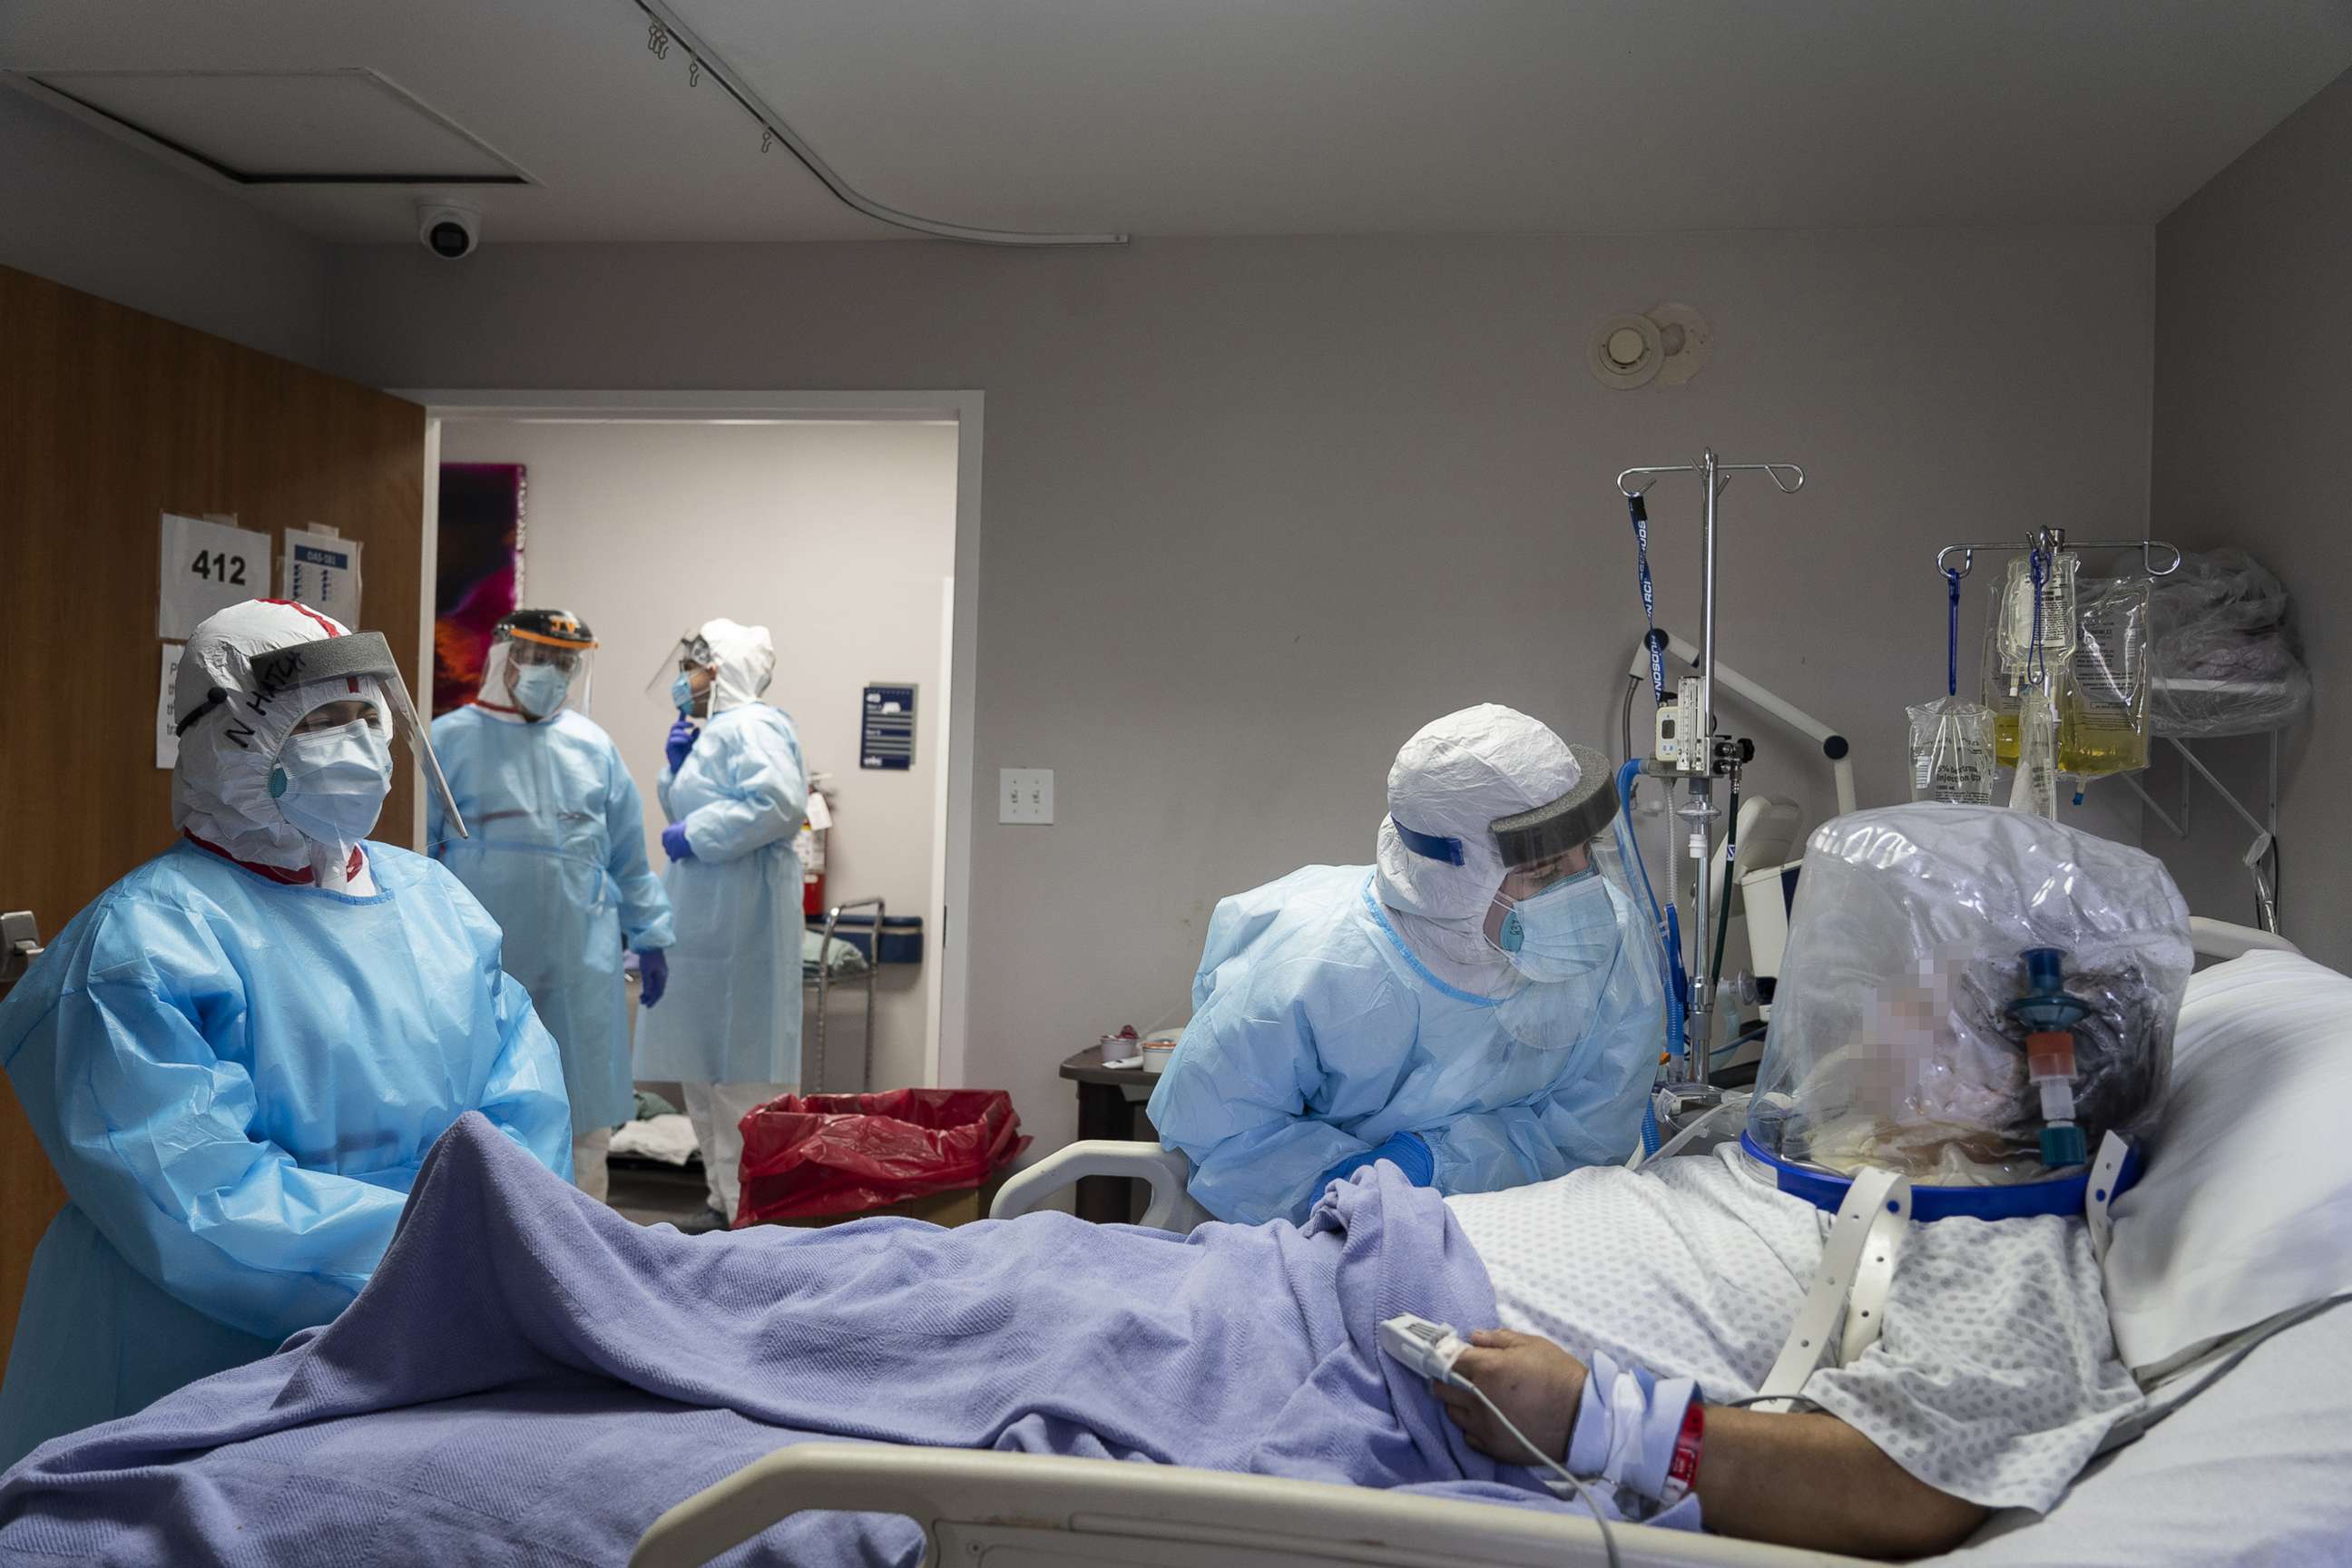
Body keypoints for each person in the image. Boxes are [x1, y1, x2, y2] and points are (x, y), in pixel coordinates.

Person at [1, 804, 2177, 1561]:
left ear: (2039, 1042)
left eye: (1909, 988)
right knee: (825, 1291)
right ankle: (481, 1330)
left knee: (836, 1349)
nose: (1856, 1012)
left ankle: (277, 1476)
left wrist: (1595, 1409)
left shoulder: (2009, 1241)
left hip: (1373, 1379)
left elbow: (1918, 1486)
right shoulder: (1838, 1159)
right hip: (1302, 1288)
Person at [0, 599, 573, 1471]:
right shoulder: (141, 948)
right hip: (194, 1371)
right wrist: (447, 1257)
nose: (356, 744)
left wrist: (508, 1237)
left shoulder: (434, 903)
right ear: (229, 741)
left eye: (364, 716)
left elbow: (523, 1099)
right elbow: (200, 1205)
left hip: (436, 1338)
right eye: (320, 720)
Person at [1148, 703, 1666, 1225]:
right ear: (1454, 877)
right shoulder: (1314, 963)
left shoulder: (1609, 937)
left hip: (1532, 1229)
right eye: (1545, 871)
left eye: (1587, 854)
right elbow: (1224, 1137)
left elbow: (1593, 1133)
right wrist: (1351, 1183)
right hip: (1330, 1236)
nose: (1580, 891)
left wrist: (1433, 1163)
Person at [428, 609, 675, 1205]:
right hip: (483, 966)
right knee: (484, 1118)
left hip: (581, 973)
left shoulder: (592, 747)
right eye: (545, 659)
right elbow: (416, 857)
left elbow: (626, 856)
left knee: (584, 1122)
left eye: (568, 663)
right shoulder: (448, 742)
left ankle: (584, 1265)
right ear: (506, 659)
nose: (557, 675)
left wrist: (652, 932)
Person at [634, 617, 809, 1228]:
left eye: (695, 666)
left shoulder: (753, 725)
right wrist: (675, 772)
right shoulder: (717, 730)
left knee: (740, 1077)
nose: (685, 679)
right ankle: (721, 1202)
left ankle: (749, 1219)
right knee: (704, 1074)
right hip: (707, 922)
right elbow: (699, 805)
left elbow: (780, 805)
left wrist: (698, 834)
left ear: (724, 669)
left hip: (744, 925)